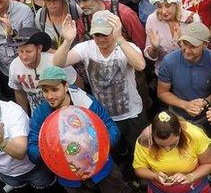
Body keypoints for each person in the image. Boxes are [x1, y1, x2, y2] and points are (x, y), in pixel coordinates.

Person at [27, 66, 130, 193]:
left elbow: (110, 126)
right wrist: (49, 151)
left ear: (66, 86)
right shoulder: (41, 113)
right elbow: (32, 148)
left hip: (101, 167)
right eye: (45, 91)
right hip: (69, 176)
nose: (49, 96)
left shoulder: (85, 102)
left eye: (54, 90)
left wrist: (100, 144)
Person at [54, 11, 147, 153]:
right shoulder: (86, 47)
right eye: (97, 35)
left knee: (138, 152)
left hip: (131, 114)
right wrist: (67, 41)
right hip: (104, 116)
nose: (101, 39)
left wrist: (120, 39)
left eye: (105, 34)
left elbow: (140, 65)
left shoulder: (126, 47)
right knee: (113, 153)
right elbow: (58, 63)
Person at [133, 111, 211, 193]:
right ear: (153, 136)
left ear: (180, 132)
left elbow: (209, 164)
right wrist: (154, 176)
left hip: (196, 189)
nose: (167, 149)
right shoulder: (145, 141)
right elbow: (139, 169)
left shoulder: (195, 135)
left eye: (173, 144)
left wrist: (190, 177)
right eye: (161, 145)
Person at [156, 21, 211, 126]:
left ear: (205, 44)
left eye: (193, 46)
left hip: (208, 119)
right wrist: (185, 105)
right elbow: (162, 92)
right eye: (184, 44)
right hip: (178, 118)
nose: (187, 50)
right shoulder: (169, 61)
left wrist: (205, 102)